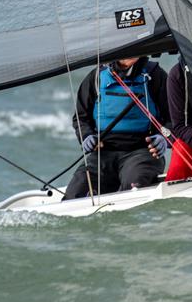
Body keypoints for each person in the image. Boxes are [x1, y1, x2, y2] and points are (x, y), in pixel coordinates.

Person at [62, 57, 170, 200]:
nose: (129, 55)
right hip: (103, 152)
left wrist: (163, 138)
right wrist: (86, 136)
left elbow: (174, 118)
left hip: (142, 151)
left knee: (133, 191)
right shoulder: (97, 77)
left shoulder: (154, 75)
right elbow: (81, 117)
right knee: (75, 194)